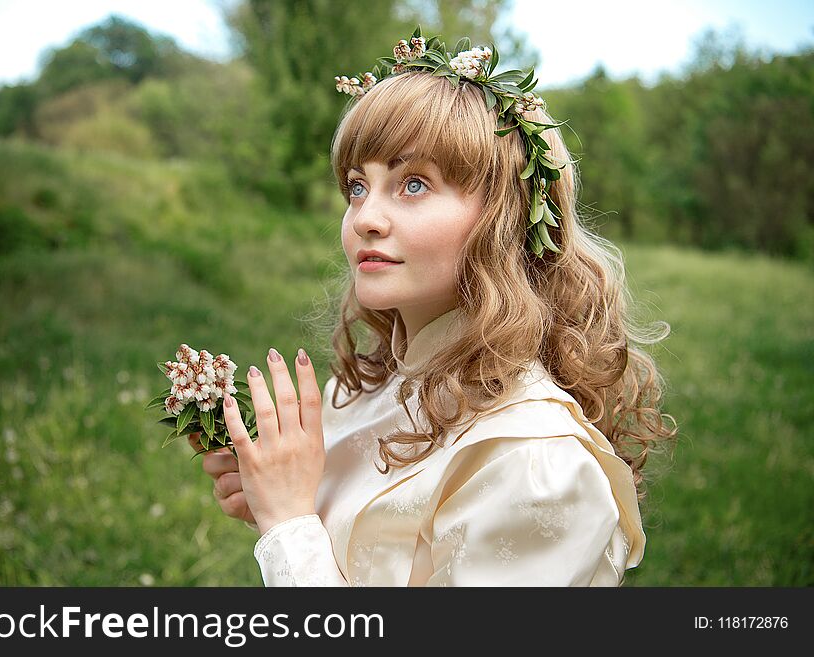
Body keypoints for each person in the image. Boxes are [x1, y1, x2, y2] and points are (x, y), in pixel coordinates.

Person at [189, 28, 677, 586]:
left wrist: (290, 523)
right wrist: (282, 502)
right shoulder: (368, 390)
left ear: (503, 219)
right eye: (356, 186)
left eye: (413, 184)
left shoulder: (534, 462)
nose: (365, 217)